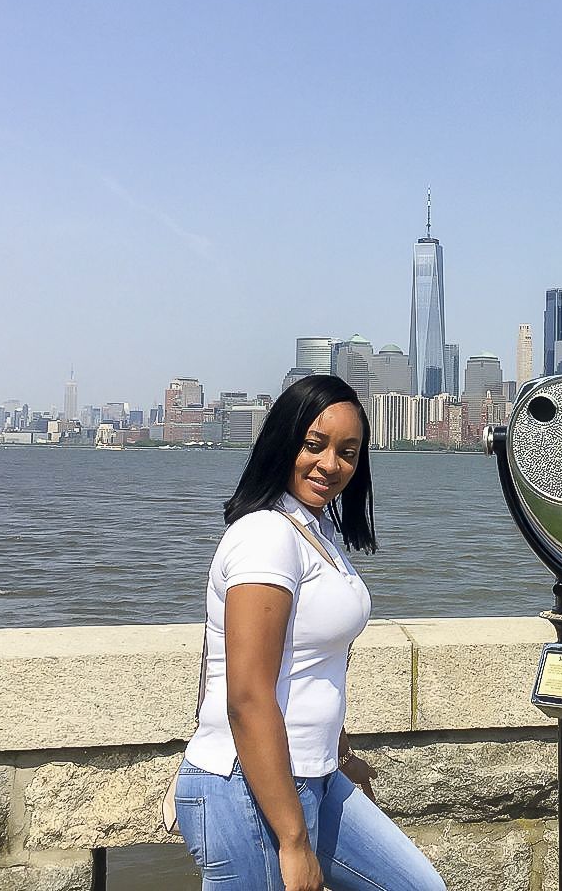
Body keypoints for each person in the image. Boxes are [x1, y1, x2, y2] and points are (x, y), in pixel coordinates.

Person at [174, 375, 445, 891]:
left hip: (314, 777)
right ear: (284, 441)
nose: (331, 465)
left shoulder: (314, 531)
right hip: (247, 788)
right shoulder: (265, 536)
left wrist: (338, 757)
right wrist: (294, 841)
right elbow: (249, 696)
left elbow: (315, 664)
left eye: (348, 451)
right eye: (314, 445)